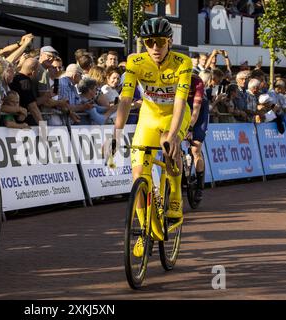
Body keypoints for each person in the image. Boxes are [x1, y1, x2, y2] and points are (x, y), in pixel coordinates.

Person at [108, 17, 192, 251]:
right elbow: (125, 99)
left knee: (168, 143)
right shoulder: (135, 62)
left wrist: (174, 134)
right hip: (149, 115)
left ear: (169, 42)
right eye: (149, 42)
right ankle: (144, 232)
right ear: (143, 43)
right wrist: (116, 133)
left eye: (160, 42)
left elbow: (180, 102)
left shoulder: (182, 63)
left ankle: (175, 195)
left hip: (174, 114)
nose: (155, 47)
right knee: (138, 176)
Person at [186, 73, 209, 201]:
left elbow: (196, 109)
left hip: (199, 110)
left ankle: (199, 185)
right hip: (182, 107)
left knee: (195, 149)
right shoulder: (172, 79)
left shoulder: (197, 82)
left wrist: (190, 128)